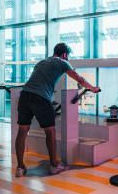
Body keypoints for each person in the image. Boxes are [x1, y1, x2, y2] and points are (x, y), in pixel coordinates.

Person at [16, 43, 99, 177]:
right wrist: (93, 88)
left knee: (22, 131)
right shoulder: (63, 63)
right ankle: (54, 165)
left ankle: (20, 167)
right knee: (50, 131)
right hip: (41, 98)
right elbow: (79, 79)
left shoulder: (41, 62)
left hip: (25, 95)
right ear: (65, 54)